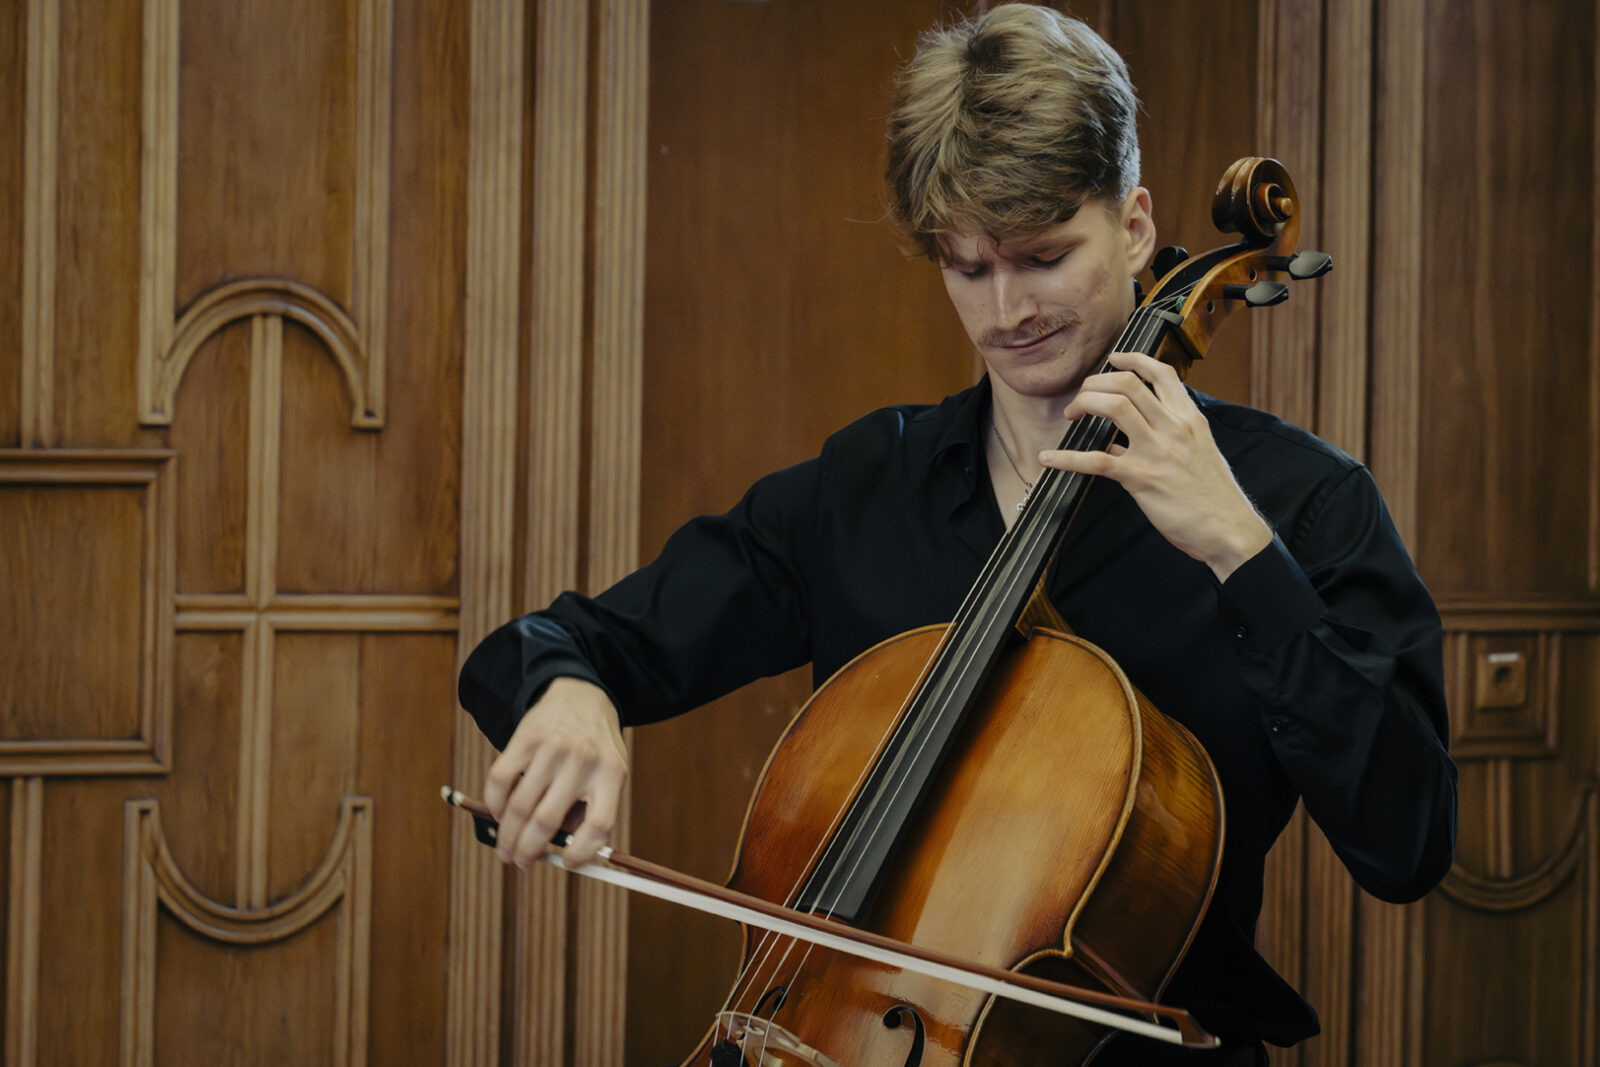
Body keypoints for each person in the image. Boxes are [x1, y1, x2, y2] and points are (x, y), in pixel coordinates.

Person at [458, 5, 1457, 1063]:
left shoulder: (1300, 503)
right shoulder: (867, 486)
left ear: (1132, 225)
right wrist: (570, 694)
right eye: (966, 266)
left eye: (1043, 256)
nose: (1005, 309)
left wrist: (1242, 557)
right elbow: (552, 644)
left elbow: (1408, 842)